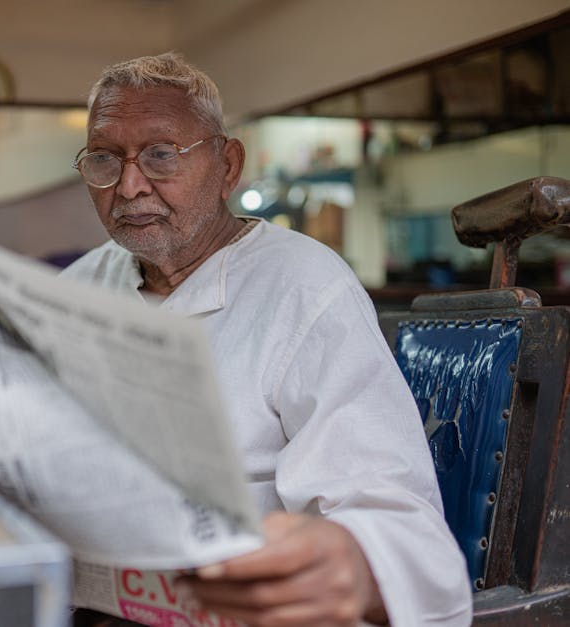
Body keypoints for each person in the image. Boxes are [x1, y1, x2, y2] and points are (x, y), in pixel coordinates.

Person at [62, 52, 472, 626]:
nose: (130, 186)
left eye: (160, 155)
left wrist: (352, 563)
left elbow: (402, 529)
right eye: (104, 159)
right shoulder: (78, 285)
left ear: (229, 166)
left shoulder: (306, 287)